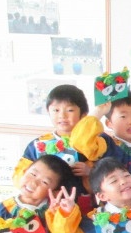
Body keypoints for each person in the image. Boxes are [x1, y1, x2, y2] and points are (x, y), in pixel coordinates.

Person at [70, 91, 131, 206]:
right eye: (123, 116)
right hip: (111, 211)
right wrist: (98, 112)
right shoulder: (105, 144)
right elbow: (79, 141)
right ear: (109, 123)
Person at [13, 84, 93, 212]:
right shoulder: (37, 145)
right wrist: (31, 188)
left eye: (70, 110)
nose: (62, 116)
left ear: (83, 115)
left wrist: (90, 171)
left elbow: (104, 177)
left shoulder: (91, 144)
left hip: (79, 207)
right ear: (48, 111)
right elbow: (19, 174)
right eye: (56, 110)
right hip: (41, 207)